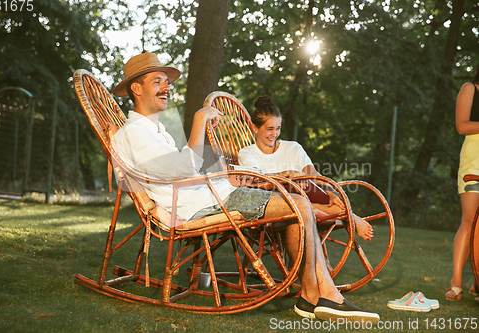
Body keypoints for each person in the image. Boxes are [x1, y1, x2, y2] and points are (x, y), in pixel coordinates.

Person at [111, 52, 380, 322]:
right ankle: (325, 296)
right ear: (136, 88)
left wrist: (224, 176)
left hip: (214, 194)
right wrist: (199, 119)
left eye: (166, 81)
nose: (167, 87)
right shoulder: (135, 133)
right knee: (298, 205)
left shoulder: (157, 131)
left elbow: (179, 171)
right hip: (201, 206)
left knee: (297, 208)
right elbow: (184, 168)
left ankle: (313, 297)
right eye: (158, 81)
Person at [238, 95, 374, 242]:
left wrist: (330, 192)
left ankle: (320, 211)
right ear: (254, 127)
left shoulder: (293, 147)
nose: (274, 134)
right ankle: (350, 217)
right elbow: (257, 181)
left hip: (304, 195)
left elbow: (312, 174)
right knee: (292, 186)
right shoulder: (246, 153)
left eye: (278, 128)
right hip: (274, 202)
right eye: (269, 129)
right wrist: (289, 175)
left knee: (313, 190)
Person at [447, 62, 479, 301]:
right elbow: (462, 126)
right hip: (474, 164)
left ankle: (477, 284)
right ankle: (456, 284)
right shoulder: (470, 89)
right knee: (470, 222)